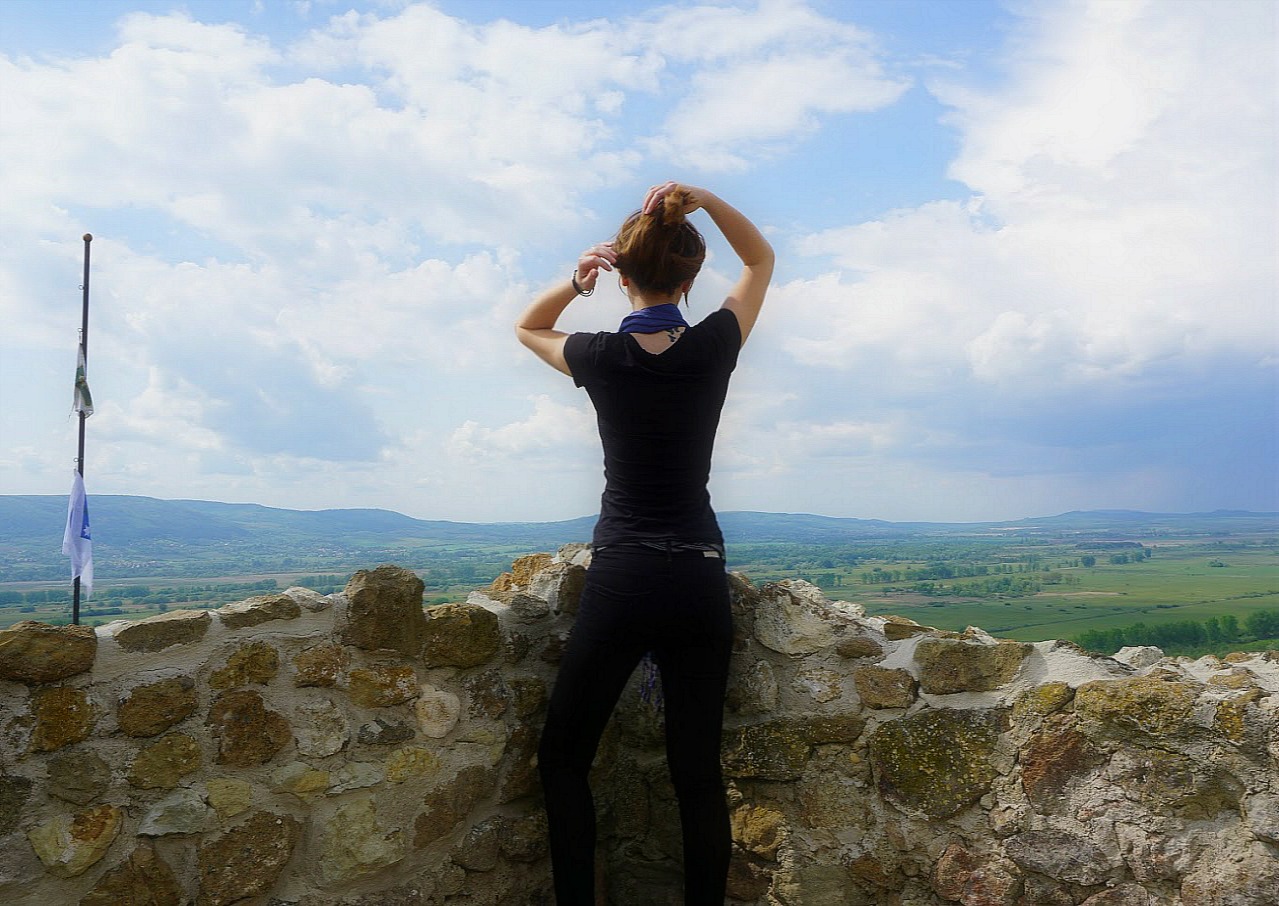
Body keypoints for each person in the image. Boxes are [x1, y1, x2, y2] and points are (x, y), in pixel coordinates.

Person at [515, 181, 774, 904]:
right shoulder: (716, 344)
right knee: (694, 771)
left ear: (621, 275)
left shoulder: (598, 355)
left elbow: (528, 328)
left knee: (564, 757)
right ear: (691, 279)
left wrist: (575, 280)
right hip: (697, 571)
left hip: (624, 574)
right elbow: (759, 263)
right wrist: (711, 201)